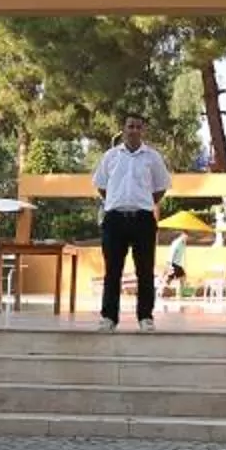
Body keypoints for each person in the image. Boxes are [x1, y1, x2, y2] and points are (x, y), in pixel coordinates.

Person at [91, 114, 171, 329]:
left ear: (143, 130)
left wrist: (143, 202)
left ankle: (145, 317)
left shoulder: (152, 157)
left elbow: (161, 187)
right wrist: (117, 201)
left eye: (138, 127)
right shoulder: (111, 156)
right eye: (130, 126)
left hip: (143, 219)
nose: (134, 130)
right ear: (123, 129)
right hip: (115, 219)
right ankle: (109, 317)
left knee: (145, 270)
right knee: (112, 271)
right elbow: (100, 185)